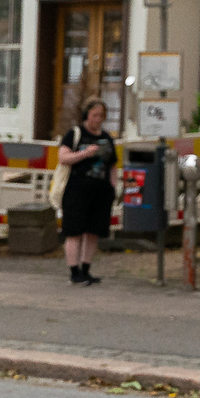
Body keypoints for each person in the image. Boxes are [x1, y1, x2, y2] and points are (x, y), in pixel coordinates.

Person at [57, 98, 119, 285]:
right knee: (74, 231)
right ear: (86, 115)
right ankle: (74, 271)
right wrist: (85, 153)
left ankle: (86, 269)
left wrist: (113, 187)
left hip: (100, 191)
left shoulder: (107, 138)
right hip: (77, 190)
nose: (98, 119)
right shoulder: (75, 134)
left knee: (93, 232)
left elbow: (113, 165)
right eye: (94, 115)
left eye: (101, 116)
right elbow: (63, 158)